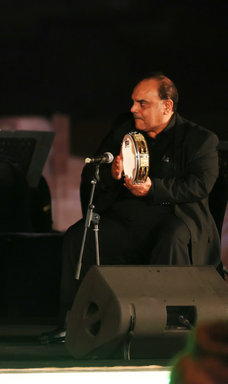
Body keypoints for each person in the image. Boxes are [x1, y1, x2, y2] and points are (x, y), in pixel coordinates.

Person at [42, 73, 220, 343]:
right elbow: (93, 169)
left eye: (142, 103)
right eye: (133, 102)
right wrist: (111, 174)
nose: (133, 109)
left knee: (171, 238)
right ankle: (75, 321)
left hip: (172, 219)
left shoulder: (199, 139)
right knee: (80, 236)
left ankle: (168, 323)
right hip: (126, 221)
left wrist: (153, 189)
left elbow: (199, 186)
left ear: (167, 106)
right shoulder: (124, 128)